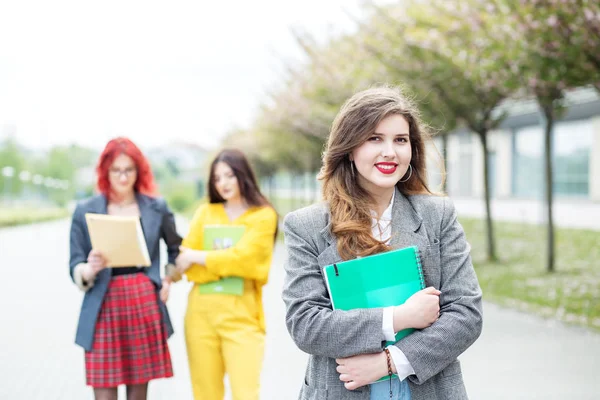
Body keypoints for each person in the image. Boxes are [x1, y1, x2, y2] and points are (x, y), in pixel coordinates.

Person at [282, 87, 483, 400]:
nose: (390, 151)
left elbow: (466, 313)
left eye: (400, 140)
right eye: (374, 138)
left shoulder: (437, 216)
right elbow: (306, 324)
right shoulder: (307, 226)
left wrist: (390, 362)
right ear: (349, 148)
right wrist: (398, 318)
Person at [69, 137, 181, 400]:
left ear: (138, 171)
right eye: (116, 170)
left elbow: (176, 250)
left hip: (143, 301)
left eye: (128, 169)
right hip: (103, 304)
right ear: (105, 171)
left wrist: (167, 279)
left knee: (138, 395)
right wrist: (89, 269)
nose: (122, 176)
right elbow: (74, 263)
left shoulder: (156, 208)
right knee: (104, 394)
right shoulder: (85, 210)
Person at [172, 149, 278, 400]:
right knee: (205, 393)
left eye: (229, 175)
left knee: (246, 394)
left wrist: (200, 257)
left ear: (243, 175)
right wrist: (227, 263)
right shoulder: (205, 213)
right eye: (217, 178)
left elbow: (248, 260)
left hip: (242, 318)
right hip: (200, 317)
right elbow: (185, 262)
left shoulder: (263, 216)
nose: (223, 183)